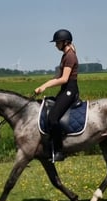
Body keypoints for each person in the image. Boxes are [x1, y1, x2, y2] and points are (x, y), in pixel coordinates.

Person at [34, 29, 79, 162]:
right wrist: (43, 85)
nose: (55, 45)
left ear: (65, 42)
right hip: (64, 90)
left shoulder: (70, 56)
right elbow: (58, 76)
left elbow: (64, 79)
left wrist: (45, 86)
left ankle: (59, 151)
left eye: (57, 42)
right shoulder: (65, 55)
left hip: (70, 90)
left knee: (53, 118)